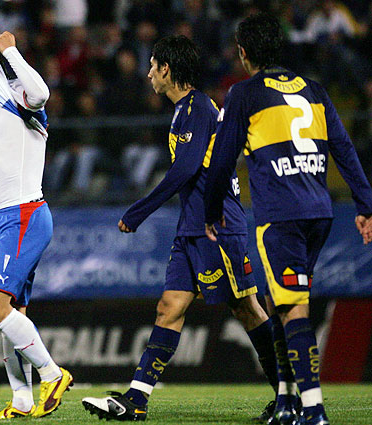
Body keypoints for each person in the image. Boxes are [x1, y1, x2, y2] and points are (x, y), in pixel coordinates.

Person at [81, 35, 278, 422]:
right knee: (169, 308)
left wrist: (138, 211)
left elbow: (186, 169)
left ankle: (289, 395)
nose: (149, 74)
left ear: (166, 69)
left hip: (218, 225)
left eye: (153, 66)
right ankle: (136, 400)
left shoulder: (198, 108)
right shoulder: (184, 110)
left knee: (247, 309)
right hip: (192, 226)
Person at [204, 13, 372, 425]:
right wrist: (365, 205)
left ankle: (313, 409)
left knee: (293, 307)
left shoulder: (244, 94)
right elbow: (344, 149)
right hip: (320, 214)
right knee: (278, 301)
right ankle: (286, 400)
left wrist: (211, 210)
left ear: (243, 52)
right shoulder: (313, 90)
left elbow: (223, 159)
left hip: (282, 217)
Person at [0, 31, 73, 419]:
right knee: (10, 313)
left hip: (24, 214)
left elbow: (41, 92)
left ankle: (52, 374)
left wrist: (9, 50)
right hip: (4, 217)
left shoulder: (20, 98)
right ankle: (21, 401)